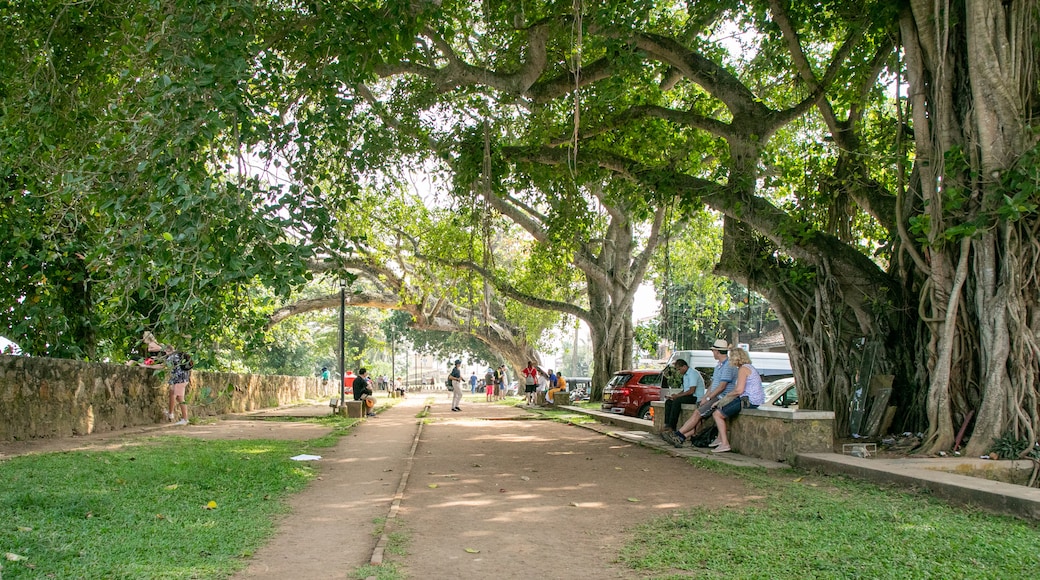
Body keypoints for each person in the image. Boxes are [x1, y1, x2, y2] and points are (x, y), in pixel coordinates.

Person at [665, 339, 739, 447]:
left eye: (713, 351)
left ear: (717, 352)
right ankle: (682, 437)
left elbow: (722, 386)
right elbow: (713, 384)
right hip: (715, 395)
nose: (713, 353)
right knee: (699, 417)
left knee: (698, 413)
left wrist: (709, 398)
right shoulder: (719, 365)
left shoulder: (728, 366)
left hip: (721, 397)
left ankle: (678, 434)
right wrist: (705, 396)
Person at [707, 347, 765, 453]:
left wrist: (727, 396)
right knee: (723, 409)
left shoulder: (743, 369)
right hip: (752, 400)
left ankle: (725, 443)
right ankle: (720, 438)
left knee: (717, 414)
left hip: (748, 400)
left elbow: (739, 390)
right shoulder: (748, 367)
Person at [660, 358, 706, 436]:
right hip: (689, 395)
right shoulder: (685, 375)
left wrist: (677, 396)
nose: (679, 371)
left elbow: (691, 391)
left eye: (679, 369)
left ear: (684, 367)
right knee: (669, 402)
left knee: (677, 401)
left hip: (695, 397)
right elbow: (685, 390)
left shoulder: (693, 374)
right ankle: (667, 424)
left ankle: (672, 426)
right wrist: (675, 395)